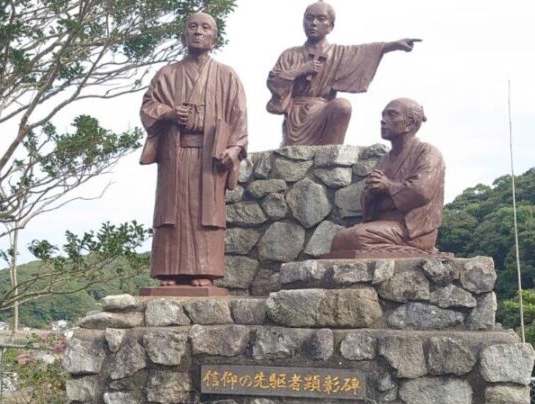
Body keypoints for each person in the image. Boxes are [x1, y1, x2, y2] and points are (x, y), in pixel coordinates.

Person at [140, 11, 248, 288]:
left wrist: (234, 150)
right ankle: (168, 271)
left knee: (206, 215)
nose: (198, 32)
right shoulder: (167, 74)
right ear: (183, 35)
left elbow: (239, 121)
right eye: (192, 27)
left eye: (205, 28)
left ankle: (205, 269)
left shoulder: (227, 76)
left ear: (215, 37)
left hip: (209, 159)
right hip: (174, 155)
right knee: (170, 212)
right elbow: (149, 107)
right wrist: (170, 113)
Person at [267, 1, 420, 146]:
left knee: (342, 106)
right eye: (309, 18)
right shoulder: (290, 54)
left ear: (330, 26)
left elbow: (365, 52)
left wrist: (393, 45)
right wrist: (301, 69)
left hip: (323, 112)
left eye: (321, 19)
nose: (313, 23)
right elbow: (274, 81)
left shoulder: (338, 53)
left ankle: (331, 158)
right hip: (296, 114)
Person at [328, 97, 446, 257]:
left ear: (410, 123)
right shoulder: (385, 159)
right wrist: (370, 193)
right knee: (340, 239)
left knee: (357, 237)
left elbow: (421, 191)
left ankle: (412, 250)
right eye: (383, 116)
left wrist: (388, 186)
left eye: (392, 115)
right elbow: (368, 203)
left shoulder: (428, 153)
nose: (383, 121)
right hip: (385, 226)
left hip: (412, 231)